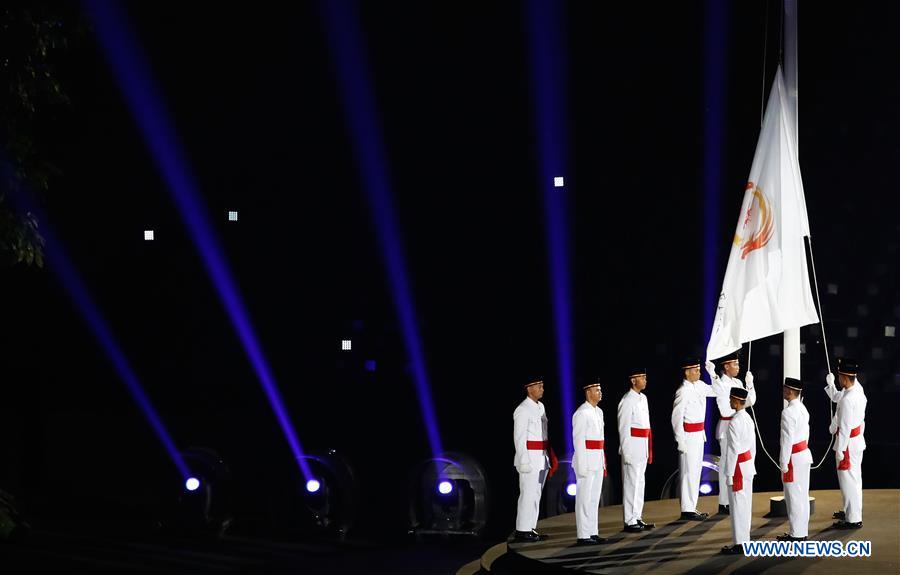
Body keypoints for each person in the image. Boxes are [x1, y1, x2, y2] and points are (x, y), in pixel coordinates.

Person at [705, 351, 756, 515]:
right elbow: (722, 399)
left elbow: (750, 401)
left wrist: (749, 385)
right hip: (728, 425)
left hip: (740, 424)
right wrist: (712, 374)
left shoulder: (737, 381)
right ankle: (724, 502)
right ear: (726, 366)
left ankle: (734, 495)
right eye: (735, 364)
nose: (738, 367)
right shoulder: (722, 383)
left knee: (740, 461)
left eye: (738, 364)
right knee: (727, 464)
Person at [671, 357, 716, 520]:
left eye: (699, 369)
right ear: (687, 372)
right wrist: (680, 440)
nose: (699, 372)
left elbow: (717, 391)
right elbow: (676, 418)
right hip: (688, 435)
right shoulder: (683, 391)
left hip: (698, 434)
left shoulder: (700, 386)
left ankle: (691, 506)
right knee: (687, 472)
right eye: (696, 370)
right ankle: (686, 508)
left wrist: (713, 373)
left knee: (696, 471)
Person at [825, 358, 867, 529]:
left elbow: (845, 427)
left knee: (848, 481)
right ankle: (852, 510)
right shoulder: (856, 389)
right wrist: (831, 385)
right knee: (854, 480)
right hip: (856, 441)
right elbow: (838, 397)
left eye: (839, 376)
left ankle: (853, 519)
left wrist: (840, 449)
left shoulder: (849, 399)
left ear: (844, 377)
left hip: (848, 444)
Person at [513, 376, 553, 542]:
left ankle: (530, 527)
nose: (542, 389)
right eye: (539, 386)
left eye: (542, 386)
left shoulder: (540, 406)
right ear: (529, 389)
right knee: (528, 493)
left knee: (536, 493)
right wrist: (523, 460)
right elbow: (519, 437)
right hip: (529, 457)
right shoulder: (522, 409)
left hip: (541, 455)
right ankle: (522, 529)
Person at [617, 367, 655, 532]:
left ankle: (637, 516)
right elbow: (623, 428)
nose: (645, 380)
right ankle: (629, 520)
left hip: (642, 446)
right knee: (631, 483)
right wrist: (626, 451)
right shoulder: (627, 400)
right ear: (633, 381)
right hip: (632, 446)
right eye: (642, 377)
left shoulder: (643, 398)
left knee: (640, 482)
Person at [572, 378, 608, 545]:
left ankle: (593, 532)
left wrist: (602, 461)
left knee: (594, 499)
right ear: (588, 392)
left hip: (598, 460)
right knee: (584, 499)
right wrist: (582, 465)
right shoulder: (581, 413)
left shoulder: (598, 412)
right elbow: (579, 442)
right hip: (586, 460)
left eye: (600, 389)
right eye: (597, 390)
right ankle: (583, 534)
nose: (600, 392)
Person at [721, 386, 756, 555]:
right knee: (745, 505)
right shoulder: (748, 419)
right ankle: (745, 539)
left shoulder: (735, 422)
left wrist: (729, 473)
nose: (729, 401)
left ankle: (740, 543)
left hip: (738, 469)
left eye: (730, 399)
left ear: (736, 401)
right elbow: (752, 446)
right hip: (748, 465)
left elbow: (733, 450)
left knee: (737, 507)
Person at [777, 376, 812, 542]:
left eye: (785, 388)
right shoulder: (803, 408)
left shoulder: (788, 412)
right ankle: (801, 531)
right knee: (802, 495)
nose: (783, 391)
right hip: (804, 454)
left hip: (794, 458)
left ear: (790, 391)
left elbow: (787, 440)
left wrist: (783, 462)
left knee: (793, 496)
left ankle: (796, 534)